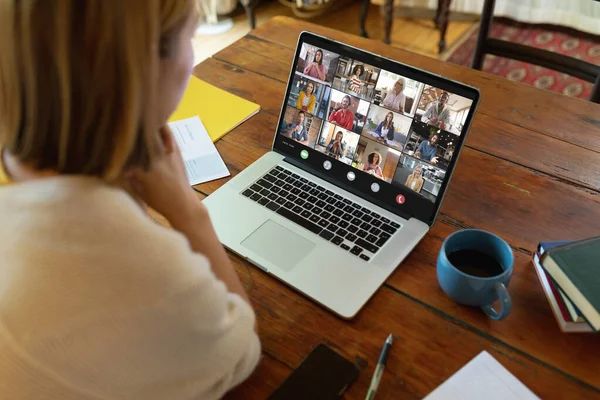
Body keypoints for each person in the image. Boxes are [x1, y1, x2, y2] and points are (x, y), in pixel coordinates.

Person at [0, 2, 260, 399]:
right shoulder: (144, 269)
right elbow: (241, 351)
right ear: (143, 70)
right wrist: (189, 213)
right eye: (190, 38)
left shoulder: (15, 169)